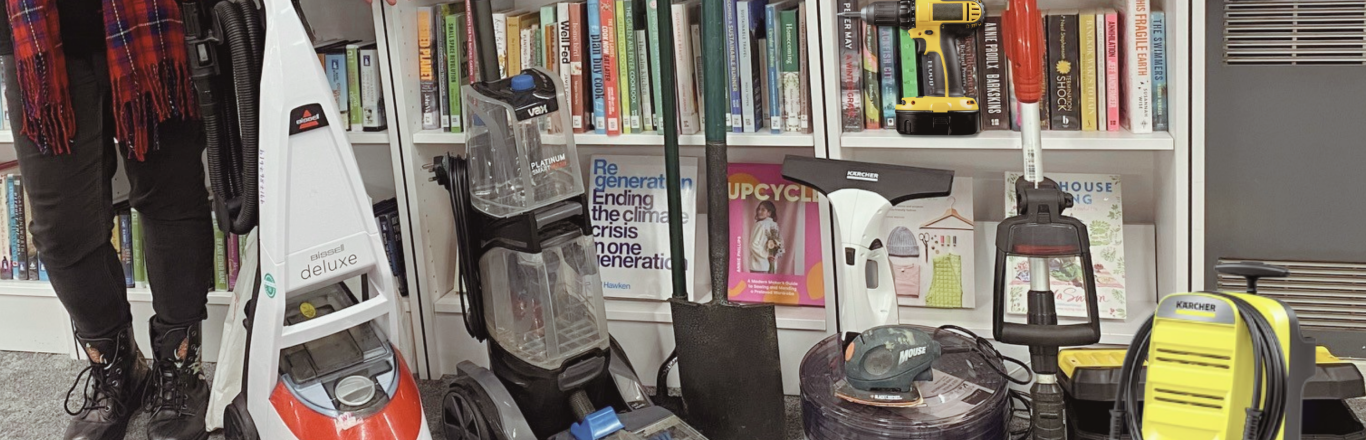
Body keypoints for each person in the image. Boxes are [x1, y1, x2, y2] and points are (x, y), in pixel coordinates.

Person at [0, 1, 212, 439]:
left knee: (172, 198)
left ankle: (179, 370)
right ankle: (119, 368)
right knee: (60, 231)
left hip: (156, 24)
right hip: (39, 39)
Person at [749, 200, 782, 274]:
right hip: (771, 265)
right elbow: (779, 245)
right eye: (759, 209)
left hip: (759, 266)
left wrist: (766, 255)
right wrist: (772, 256)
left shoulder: (760, 225)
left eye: (763, 210)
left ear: (769, 213)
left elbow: (753, 244)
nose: (759, 211)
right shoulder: (775, 225)